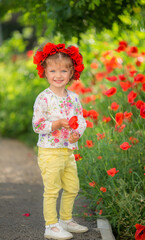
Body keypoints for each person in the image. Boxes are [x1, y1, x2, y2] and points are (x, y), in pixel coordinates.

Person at [32, 43, 88, 240]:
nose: (58, 75)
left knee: (72, 187)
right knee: (52, 190)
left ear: (71, 72)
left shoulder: (73, 98)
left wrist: (77, 133)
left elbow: (81, 120)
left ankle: (65, 220)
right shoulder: (44, 98)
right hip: (49, 151)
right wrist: (55, 124)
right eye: (53, 70)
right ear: (45, 72)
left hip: (67, 151)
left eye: (64, 70)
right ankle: (51, 226)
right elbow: (37, 125)